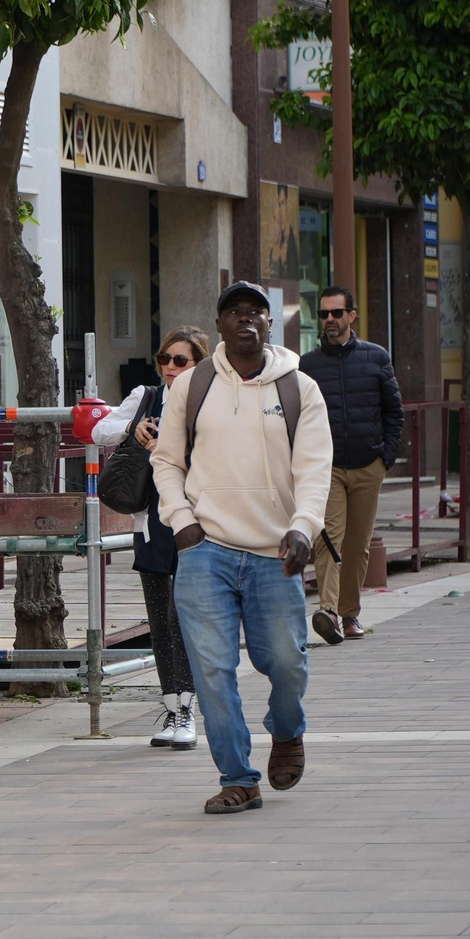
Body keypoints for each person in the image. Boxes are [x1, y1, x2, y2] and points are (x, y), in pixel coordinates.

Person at [151, 282, 333, 815]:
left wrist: (303, 526)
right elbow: (166, 460)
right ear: (221, 324)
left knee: (286, 663)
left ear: (270, 324)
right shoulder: (193, 385)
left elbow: (315, 467)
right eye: (235, 312)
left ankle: (287, 728)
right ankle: (238, 777)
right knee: (211, 670)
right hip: (205, 550)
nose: (246, 320)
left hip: (276, 552)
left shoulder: (299, 389)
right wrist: (181, 520)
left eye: (256, 312)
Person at [91, 325, 210, 751]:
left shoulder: (211, 401)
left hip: (200, 524)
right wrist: (134, 429)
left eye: (182, 360)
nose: (172, 368)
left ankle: (190, 708)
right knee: (160, 619)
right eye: (166, 359)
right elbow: (97, 432)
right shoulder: (147, 396)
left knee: (188, 619)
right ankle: (173, 707)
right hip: (153, 523)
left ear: (200, 364)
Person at [299, 286, 403, 646]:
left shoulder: (376, 358)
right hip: (326, 468)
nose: (330, 320)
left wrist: (384, 459)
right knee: (329, 538)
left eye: (337, 313)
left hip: (367, 465)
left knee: (358, 545)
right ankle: (328, 612)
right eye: (324, 314)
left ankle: (350, 614)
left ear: (351, 316)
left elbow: (394, 412)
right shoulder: (308, 365)